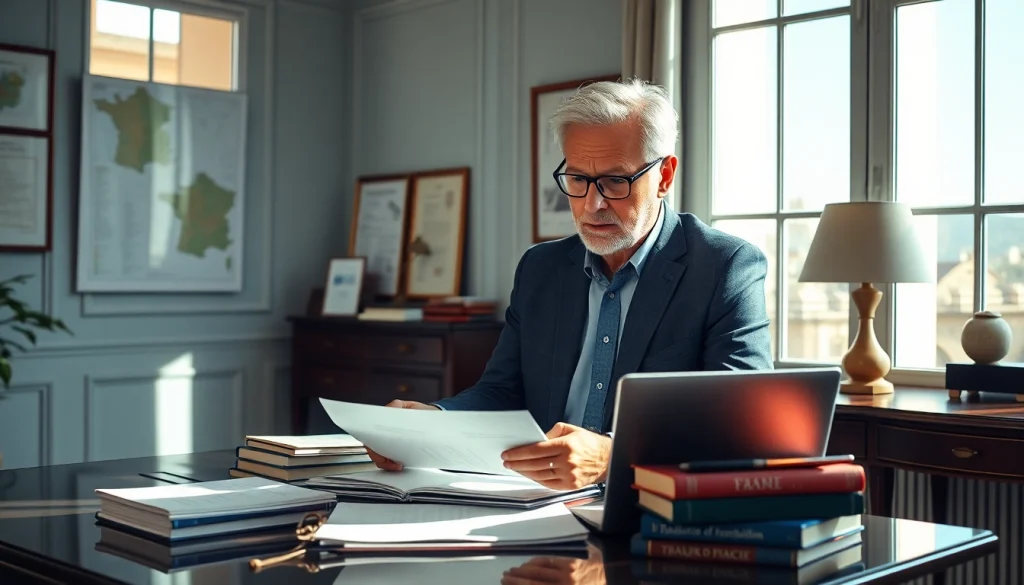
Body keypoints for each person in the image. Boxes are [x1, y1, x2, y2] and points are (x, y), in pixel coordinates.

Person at [366, 78, 773, 489]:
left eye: (616, 181)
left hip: (648, 508)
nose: (592, 205)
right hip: (533, 502)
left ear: (665, 175)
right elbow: (502, 393)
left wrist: (615, 456)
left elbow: (743, 423)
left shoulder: (725, 267)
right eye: (577, 179)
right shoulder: (540, 268)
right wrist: (433, 422)